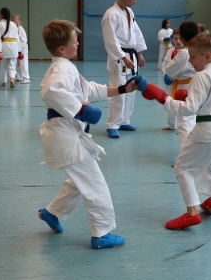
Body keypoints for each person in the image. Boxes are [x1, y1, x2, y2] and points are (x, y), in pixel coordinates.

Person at [37, 20, 142, 249]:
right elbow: (50, 91)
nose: (77, 43)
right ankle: (102, 233)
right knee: (95, 184)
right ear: (62, 48)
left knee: (80, 181)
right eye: (74, 41)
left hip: (67, 135)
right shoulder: (61, 69)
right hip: (66, 137)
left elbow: (90, 90)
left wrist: (123, 88)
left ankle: (52, 213)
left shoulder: (66, 67)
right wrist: (80, 110)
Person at [140, 32, 211, 230]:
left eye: (193, 56)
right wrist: (189, 96)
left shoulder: (201, 76)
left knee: (182, 168)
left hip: (207, 130)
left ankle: (192, 213)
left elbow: (189, 109)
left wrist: (163, 98)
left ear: (207, 56)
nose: (190, 61)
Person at [101, 0, 147, 138]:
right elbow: (110, 40)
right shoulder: (111, 14)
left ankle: (124, 120)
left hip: (131, 56)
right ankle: (113, 124)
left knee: (131, 91)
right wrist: (123, 57)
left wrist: (139, 52)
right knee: (119, 91)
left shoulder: (129, 11)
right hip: (119, 59)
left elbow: (136, 32)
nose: (135, 2)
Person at [161, 21, 199, 144]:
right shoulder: (197, 49)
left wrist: (169, 72)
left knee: (185, 118)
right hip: (192, 83)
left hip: (186, 84)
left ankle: (187, 150)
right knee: (189, 115)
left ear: (182, 38)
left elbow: (169, 69)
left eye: (179, 38)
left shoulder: (184, 52)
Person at [159, 29, 184, 131]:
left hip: (183, 83)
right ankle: (171, 124)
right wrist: (166, 74)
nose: (178, 41)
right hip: (171, 83)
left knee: (183, 104)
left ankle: (183, 125)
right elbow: (164, 65)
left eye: (180, 38)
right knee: (170, 102)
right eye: (176, 38)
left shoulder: (187, 52)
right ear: (172, 39)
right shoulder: (170, 51)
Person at [0, 7, 22, 88]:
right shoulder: (13, 24)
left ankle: (4, 81)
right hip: (14, 46)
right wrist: (19, 51)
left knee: (3, 65)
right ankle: (12, 78)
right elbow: (17, 38)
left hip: (4, 46)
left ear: (2, 15)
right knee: (12, 65)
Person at [13, 14, 30, 84]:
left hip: (22, 49)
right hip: (16, 49)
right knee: (17, 64)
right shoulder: (13, 29)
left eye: (15, 20)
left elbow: (23, 41)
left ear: (19, 21)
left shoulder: (21, 29)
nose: (14, 21)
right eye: (13, 20)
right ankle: (19, 77)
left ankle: (26, 78)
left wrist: (19, 50)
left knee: (23, 64)